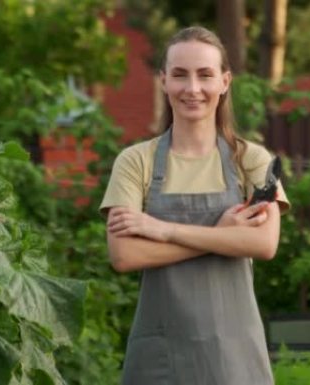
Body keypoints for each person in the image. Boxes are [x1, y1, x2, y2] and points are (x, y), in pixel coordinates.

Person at [100, 26, 290, 385]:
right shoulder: (135, 162)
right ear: (163, 81)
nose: (192, 88)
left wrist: (163, 230)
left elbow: (263, 244)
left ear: (225, 81)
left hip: (235, 357)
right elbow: (124, 255)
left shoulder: (252, 160)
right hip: (160, 358)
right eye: (179, 75)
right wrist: (219, 236)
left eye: (205, 75)